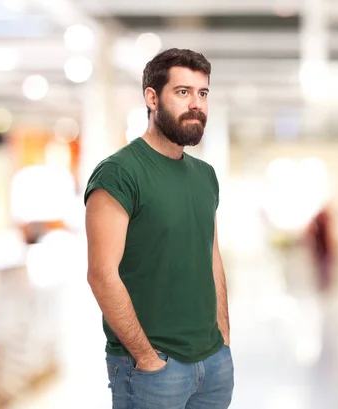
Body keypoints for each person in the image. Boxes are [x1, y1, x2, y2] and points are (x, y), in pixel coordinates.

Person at [84, 48, 233, 409]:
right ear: (152, 97)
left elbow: (210, 257)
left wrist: (224, 339)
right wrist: (147, 358)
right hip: (153, 368)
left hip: (212, 363)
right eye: (183, 92)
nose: (196, 104)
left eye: (203, 93)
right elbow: (102, 276)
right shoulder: (119, 173)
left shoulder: (205, 176)